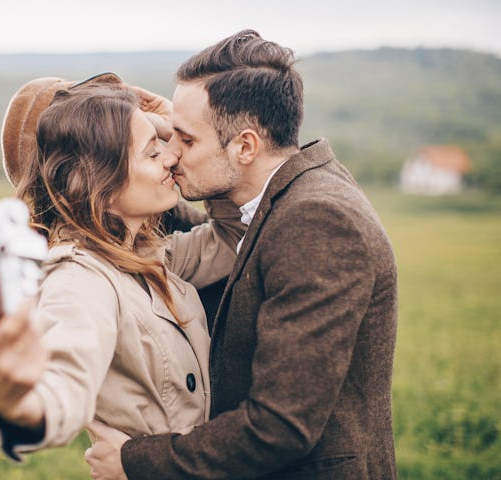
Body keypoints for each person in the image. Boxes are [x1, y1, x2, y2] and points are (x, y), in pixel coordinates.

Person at [84, 29, 399, 479]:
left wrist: (135, 462)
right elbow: (222, 228)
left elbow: (280, 426)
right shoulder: (294, 193)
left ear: (245, 146)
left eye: (187, 141)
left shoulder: (317, 221)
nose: (171, 155)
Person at [0, 78, 245, 460]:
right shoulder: (81, 277)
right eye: (153, 153)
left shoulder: (150, 255)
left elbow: (237, 235)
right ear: (102, 182)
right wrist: (20, 404)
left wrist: (178, 130)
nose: (171, 158)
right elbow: (64, 380)